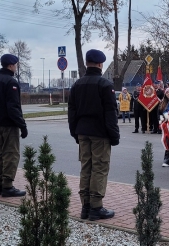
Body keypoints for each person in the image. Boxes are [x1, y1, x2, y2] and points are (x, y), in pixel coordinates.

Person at [68, 49, 120, 221]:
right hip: (100, 133)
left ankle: (86, 206)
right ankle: (96, 207)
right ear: (100, 64)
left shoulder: (77, 85)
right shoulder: (105, 85)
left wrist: (75, 132)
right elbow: (110, 113)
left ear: (87, 63)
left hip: (82, 132)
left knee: (86, 167)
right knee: (99, 168)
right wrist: (114, 135)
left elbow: (72, 112)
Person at [0, 54, 27, 198]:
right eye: (15, 65)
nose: (15, 67)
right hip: (10, 125)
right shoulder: (11, 82)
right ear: (11, 65)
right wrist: (22, 125)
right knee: (11, 154)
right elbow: (13, 107)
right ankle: (8, 186)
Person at [160, 87, 169, 167]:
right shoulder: (162, 102)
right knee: (167, 141)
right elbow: (159, 113)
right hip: (165, 125)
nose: (168, 93)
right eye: (167, 92)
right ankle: (167, 159)